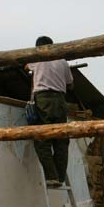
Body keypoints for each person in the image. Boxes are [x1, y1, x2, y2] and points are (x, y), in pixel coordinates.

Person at [25, 36, 74, 188]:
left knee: (42, 138)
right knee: (60, 139)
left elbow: (26, 67)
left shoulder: (37, 57)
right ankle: (59, 177)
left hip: (43, 99)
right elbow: (70, 83)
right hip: (60, 100)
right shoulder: (62, 61)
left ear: (38, 47)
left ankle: (51, 177)